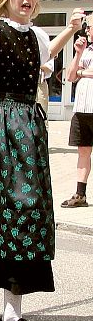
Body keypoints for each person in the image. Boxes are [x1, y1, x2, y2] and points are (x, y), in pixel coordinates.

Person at [0, 0, 84, 321]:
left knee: (26, 215)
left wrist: (68, 31)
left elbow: (44, 59)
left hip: (28, 134)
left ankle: (11, 314)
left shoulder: (36, 35)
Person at [62, 14, 93, 208]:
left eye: (89, 27)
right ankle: (80, 195)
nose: (86, 30)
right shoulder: (87, 50)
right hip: (82, 109)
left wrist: (83, 72)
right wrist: (78, 54)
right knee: (83, 151)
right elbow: (70, 76)